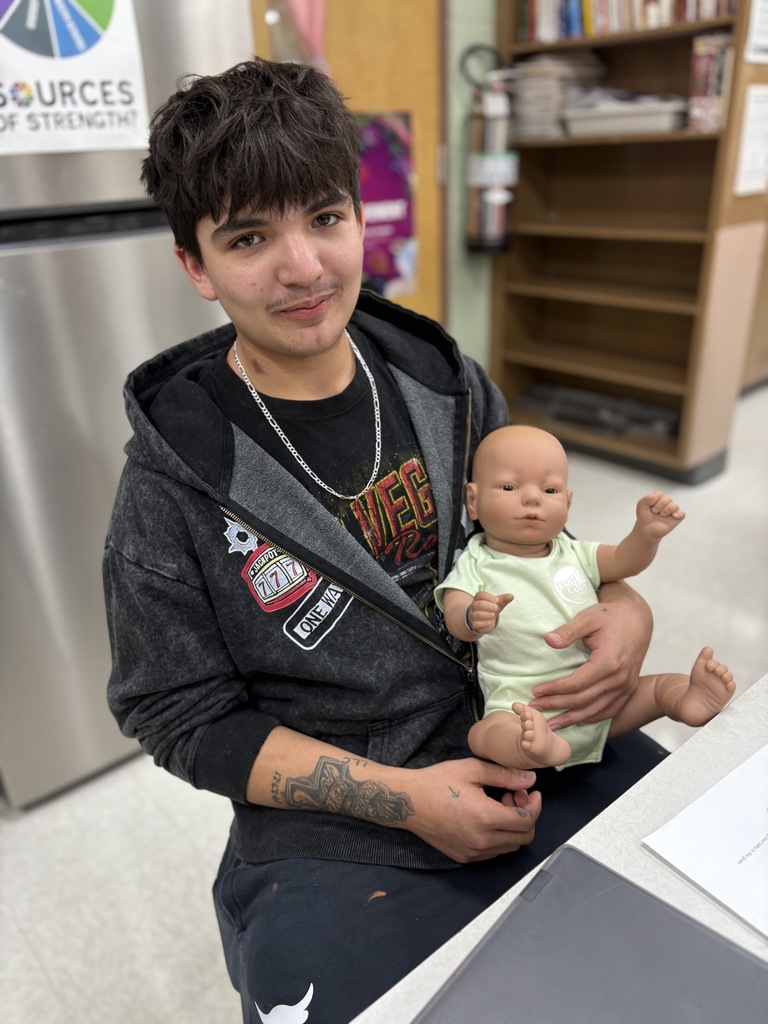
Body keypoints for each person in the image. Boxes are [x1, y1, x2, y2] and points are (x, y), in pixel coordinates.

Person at [103, 58, 666, 1024]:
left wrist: (626, 609)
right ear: (195, 267)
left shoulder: (443, 382)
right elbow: (178, 715)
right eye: (249, 237)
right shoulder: (172, 481)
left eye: (325, 218)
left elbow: (543, 535)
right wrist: (408, 800)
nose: (306, 268)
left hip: (539, 730)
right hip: (341, 824)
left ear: (362, 217)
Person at [436, 425, 735, 772]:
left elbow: (625, 561)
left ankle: (687, 700)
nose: (532, 499)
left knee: (657, 688)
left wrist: (645, 535)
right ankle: (532, 748)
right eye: (509, 487)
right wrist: (473, 617)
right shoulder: (477, 560)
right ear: (472, 500)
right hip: (521, 706)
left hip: (600, 700)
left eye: (549, 489)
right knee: (484, 735)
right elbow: (455, 612)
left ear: (568, 502)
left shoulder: (574, 552)